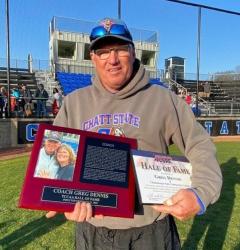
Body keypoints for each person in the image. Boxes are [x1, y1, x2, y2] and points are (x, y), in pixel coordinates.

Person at [47, 17, 222, 249]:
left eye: (120, 49)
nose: (112, 59)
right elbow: (54, 154)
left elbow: (199, 145)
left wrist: (200, 192)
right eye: (103, 52)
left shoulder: (162, 99)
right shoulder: (74, 103)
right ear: (93, 58)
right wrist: (56, 198)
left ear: (132, 51)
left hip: (151, 231)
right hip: (92, 229)